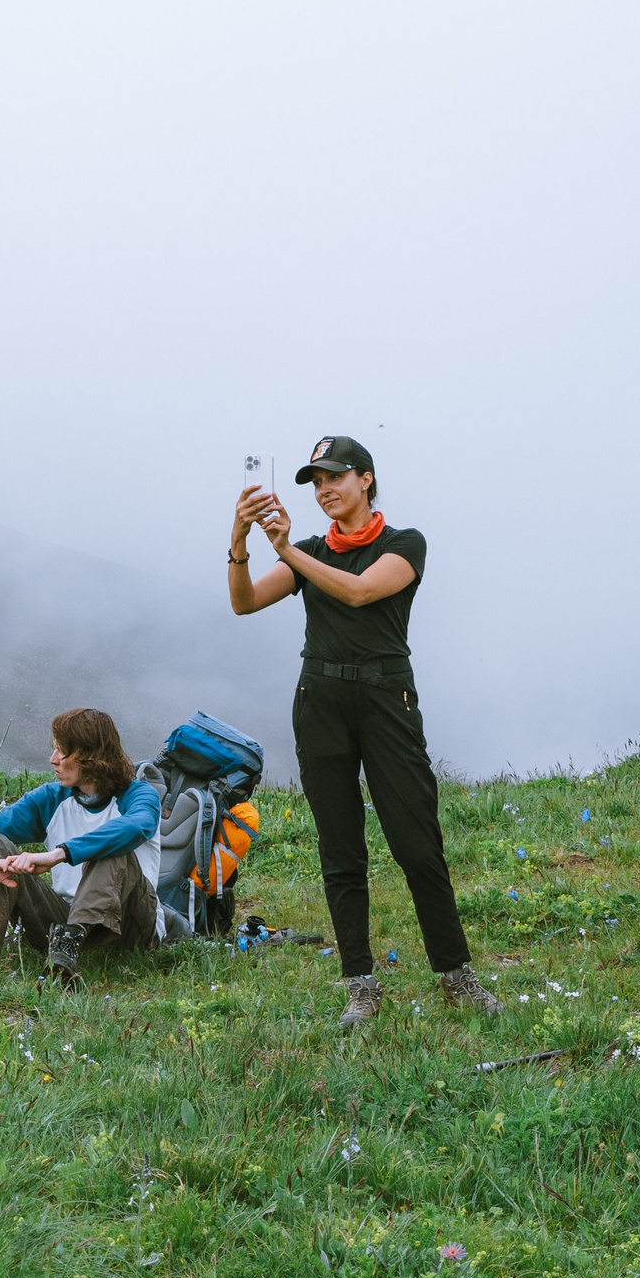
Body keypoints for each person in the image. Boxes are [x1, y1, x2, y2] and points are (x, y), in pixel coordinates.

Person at [227, 435, 501, 1028]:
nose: (325, 490)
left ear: (366, 480)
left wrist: (288, 551)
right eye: (315, 482)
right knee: (340, 845)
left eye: (335, 478)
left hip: (385, 697)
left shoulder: (405, 544)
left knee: (416, 839)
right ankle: (360, 986)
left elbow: (359, 591)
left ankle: (456, 975)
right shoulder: (305, 549)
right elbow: (244, 603)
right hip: (319, 699)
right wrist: (240, 538)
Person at [0, 709, 161, 986]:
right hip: (63, 923)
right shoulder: (52, 799)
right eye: (54, 749)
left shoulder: (140, 796)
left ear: (90, 757)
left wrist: (61, 854)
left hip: (129, 925)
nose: (53, 759)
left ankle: (67, 950)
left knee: (112, 850)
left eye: (62, 752)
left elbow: (136, 826)